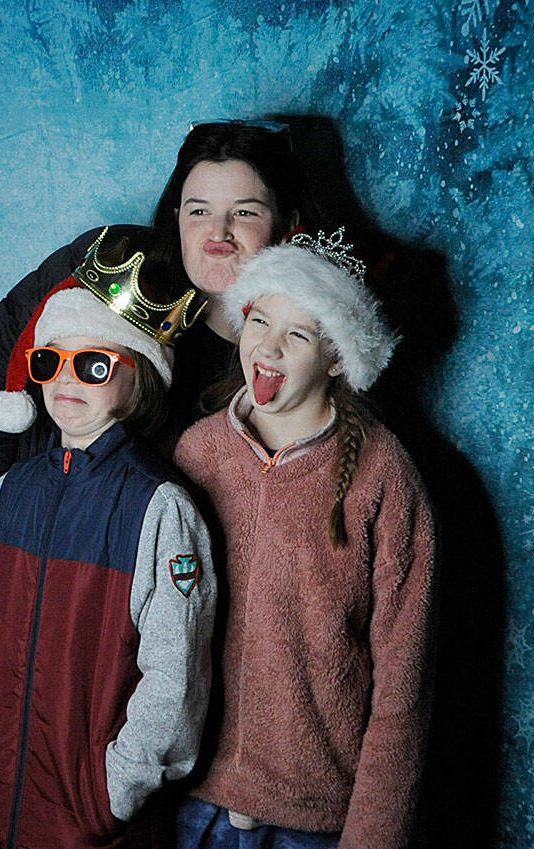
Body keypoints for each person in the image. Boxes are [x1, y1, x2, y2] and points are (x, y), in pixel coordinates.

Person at [0, 119, 308, 848]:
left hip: (95, 601)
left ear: (286, 226)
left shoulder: (284, 341)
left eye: (245, 213)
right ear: (174, 215)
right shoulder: (110, 261)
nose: (218, 234)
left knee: (68, 795)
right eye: (198, 210)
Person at [172, 230, 436, 848]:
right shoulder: (196, 451)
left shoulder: (384, 474)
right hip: (195, 806)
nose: (268, 346)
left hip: (314, 820)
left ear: (338, 357)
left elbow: (405, 680)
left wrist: (372, 837)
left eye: (298, 333)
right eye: (260, 319)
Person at [0, 265, 217, 849]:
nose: (66, 381)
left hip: (91, 820)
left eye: (94, 365)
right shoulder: (10, 493)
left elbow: (176, 673)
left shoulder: (160, 506)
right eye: (49, 362)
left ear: (138, 376)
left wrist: (117, 788)